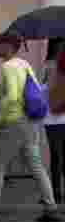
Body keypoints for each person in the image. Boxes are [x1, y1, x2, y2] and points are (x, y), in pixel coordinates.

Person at [0, 30, 59, 222]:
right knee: (36, 165)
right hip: (30, 122)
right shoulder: (25, 64)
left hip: (13, 122)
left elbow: (12, 97)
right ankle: (51, 206)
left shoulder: (9, 66)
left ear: (8, 46)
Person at [46, 39, 65, 205]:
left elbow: (45, 89)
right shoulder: (52, 66)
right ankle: (57, 192)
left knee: (56, 157)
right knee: (58, 157)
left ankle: (56, 193)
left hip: (53, 120)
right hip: (56, 119)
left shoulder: (49, 66)